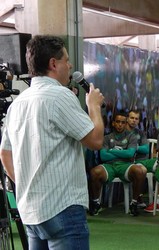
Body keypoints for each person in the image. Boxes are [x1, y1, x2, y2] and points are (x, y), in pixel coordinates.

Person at [0, 35, 105, 249]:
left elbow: (5, 154)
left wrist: (26, 184)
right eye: (66, 60)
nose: (70, 65)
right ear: (53, 64)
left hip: (31, 209)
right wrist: (93, 106)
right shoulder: (59, 96)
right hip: (62, 207)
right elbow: (95, 140)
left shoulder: (18, 103)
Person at [89, 112, 147, 216]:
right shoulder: (106, 138)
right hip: (109, 166)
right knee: (94, 172)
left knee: (139, 171)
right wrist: (123, 153)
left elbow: (130, 154)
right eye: (118, 122)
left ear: (126, 124)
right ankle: (96, 203)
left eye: (123, 122)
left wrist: (111, 151)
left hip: (126, 166)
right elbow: (103, 156)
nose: (120, 124)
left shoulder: (132, 137)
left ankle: (134, 203)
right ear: (113, 123)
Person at [126, 109, 158, 208]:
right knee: (140, 170)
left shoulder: (141, 133)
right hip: (129, 162)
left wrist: (132, 148)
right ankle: (138, 197)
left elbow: (145, 149)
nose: (134, 120)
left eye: (136, 119)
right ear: (127, 119)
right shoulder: (122, 132)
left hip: (142, 160)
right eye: (132, 118)